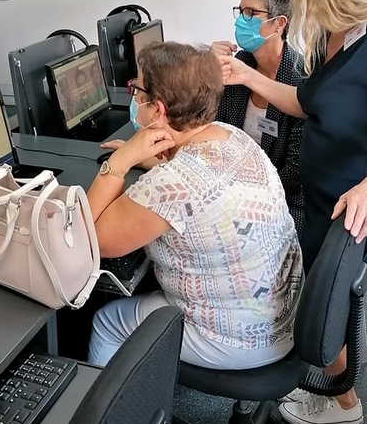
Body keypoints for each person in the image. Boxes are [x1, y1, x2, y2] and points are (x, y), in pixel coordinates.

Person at [218, 0, 367, 424]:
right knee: (325, 306)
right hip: (321, 195)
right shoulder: (335, 34)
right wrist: (247, 76)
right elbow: (305, 103)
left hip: (346, 202)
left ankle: (344, 407)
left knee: (325, 308)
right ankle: (339, 395)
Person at [86, 41, 303, 372]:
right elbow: (198, 184)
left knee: (106, 322)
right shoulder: (231, 136)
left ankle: (113, 419)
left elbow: (94, 239)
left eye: (137, 90)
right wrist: (149, 162)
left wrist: (120, 161)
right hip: (284, 314)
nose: (133, 99)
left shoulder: (172, 185)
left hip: (238, 341)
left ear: (157, 110)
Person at [213, 0, 305, 239]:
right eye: (241, 11)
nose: (243, 21)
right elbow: (210, 129)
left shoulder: (300, 78)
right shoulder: (241, 61)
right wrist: (207, 68)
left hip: (281, 203)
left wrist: (244, 197)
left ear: (279, 24)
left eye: (252, 14)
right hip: (229, 193)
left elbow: (294, 172)